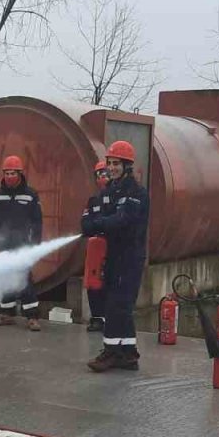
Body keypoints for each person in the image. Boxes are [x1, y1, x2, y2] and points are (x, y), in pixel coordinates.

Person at [84, 140, 149, 372]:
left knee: (116, 305)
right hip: (111, 257)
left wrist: (99, 224)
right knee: (121, 306)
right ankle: (128, 354)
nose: (111, 168)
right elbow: (93, 217)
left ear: (127, 166)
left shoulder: (136, 193)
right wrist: (91, 224)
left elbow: (123, 220)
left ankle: (111, 352)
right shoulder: (108, 192)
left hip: (129, 257)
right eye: (109, 163)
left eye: (116, 164)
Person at [0, 154, 43, 331]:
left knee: (24, 278)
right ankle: (7, 314)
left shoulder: (31, 195)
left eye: (13, 173)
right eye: (7, 173)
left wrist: (35, 243)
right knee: (5, 277)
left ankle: (32, 317)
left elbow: (37, 221)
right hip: (2, 244)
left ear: (20, 174)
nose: (9, 177)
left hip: (23, 244)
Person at [83, 160, 111, 332]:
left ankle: (110, 317)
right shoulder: (93, 201)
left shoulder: (117, 198)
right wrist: (93, 226)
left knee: (110, 281)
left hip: (113, 246)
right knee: (93, 282)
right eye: (99, 175)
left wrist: (100, 224)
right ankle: (96, 318)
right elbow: (85, 223)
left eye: (105, 174)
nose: (102, 178)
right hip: (95, 247)